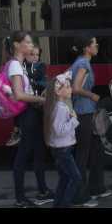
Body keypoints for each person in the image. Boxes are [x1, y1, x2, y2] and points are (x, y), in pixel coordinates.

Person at [5, 32, 53, 208]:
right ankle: (20, 198)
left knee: (38, 151)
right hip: (27, 114)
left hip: (31, 113)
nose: (31, 45)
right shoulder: (15, 65)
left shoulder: (19, 65)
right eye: (28, 42)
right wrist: (41, 100)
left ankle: (43, 190)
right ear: (17, 45)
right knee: (23, 155)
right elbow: (19, 95)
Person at [70, 35, 112, 207]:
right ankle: (80, 196)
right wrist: (92, 95)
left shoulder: (81, 62)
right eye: (95, 44)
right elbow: (76, 88)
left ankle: (96, 187)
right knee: (83, 155)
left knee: (96, 151)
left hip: (86, 112)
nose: (97, 46)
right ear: (87, 48)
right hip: (83, 114)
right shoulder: (83, 64)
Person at [43, 71, 82, 208]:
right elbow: (59, 131)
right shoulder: (61, 109)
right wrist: (74, 120)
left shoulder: (57, 107)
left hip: (60, 149)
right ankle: (65, 204)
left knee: (65, 178)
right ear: (58, 92)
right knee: (76, 178)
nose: (71, 89)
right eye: (68, 86)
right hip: (63, 149)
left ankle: (58, 204)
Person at [6, 45, 46, 147]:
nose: (35, 57)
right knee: (28, 140)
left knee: (35, 137)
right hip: (26, 104)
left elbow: (43, 82)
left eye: (37, 55)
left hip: (37, 103)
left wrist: (33, 83)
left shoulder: (40, 66)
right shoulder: (20, 67)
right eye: (32, 54)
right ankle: (16, 131)